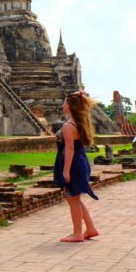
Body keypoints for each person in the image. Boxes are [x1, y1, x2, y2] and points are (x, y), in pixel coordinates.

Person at [54, 91, 99, 243]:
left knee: (72, 199)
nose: (62, 105)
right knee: (75, 199)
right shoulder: (78, 123)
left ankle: (77, 233)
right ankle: (90, 228)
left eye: (65, 102)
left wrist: (66, 170)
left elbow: (69, 149)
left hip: (73, 163)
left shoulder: (68, 126)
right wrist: (78, 95)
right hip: (80, 162)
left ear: (71, 106)